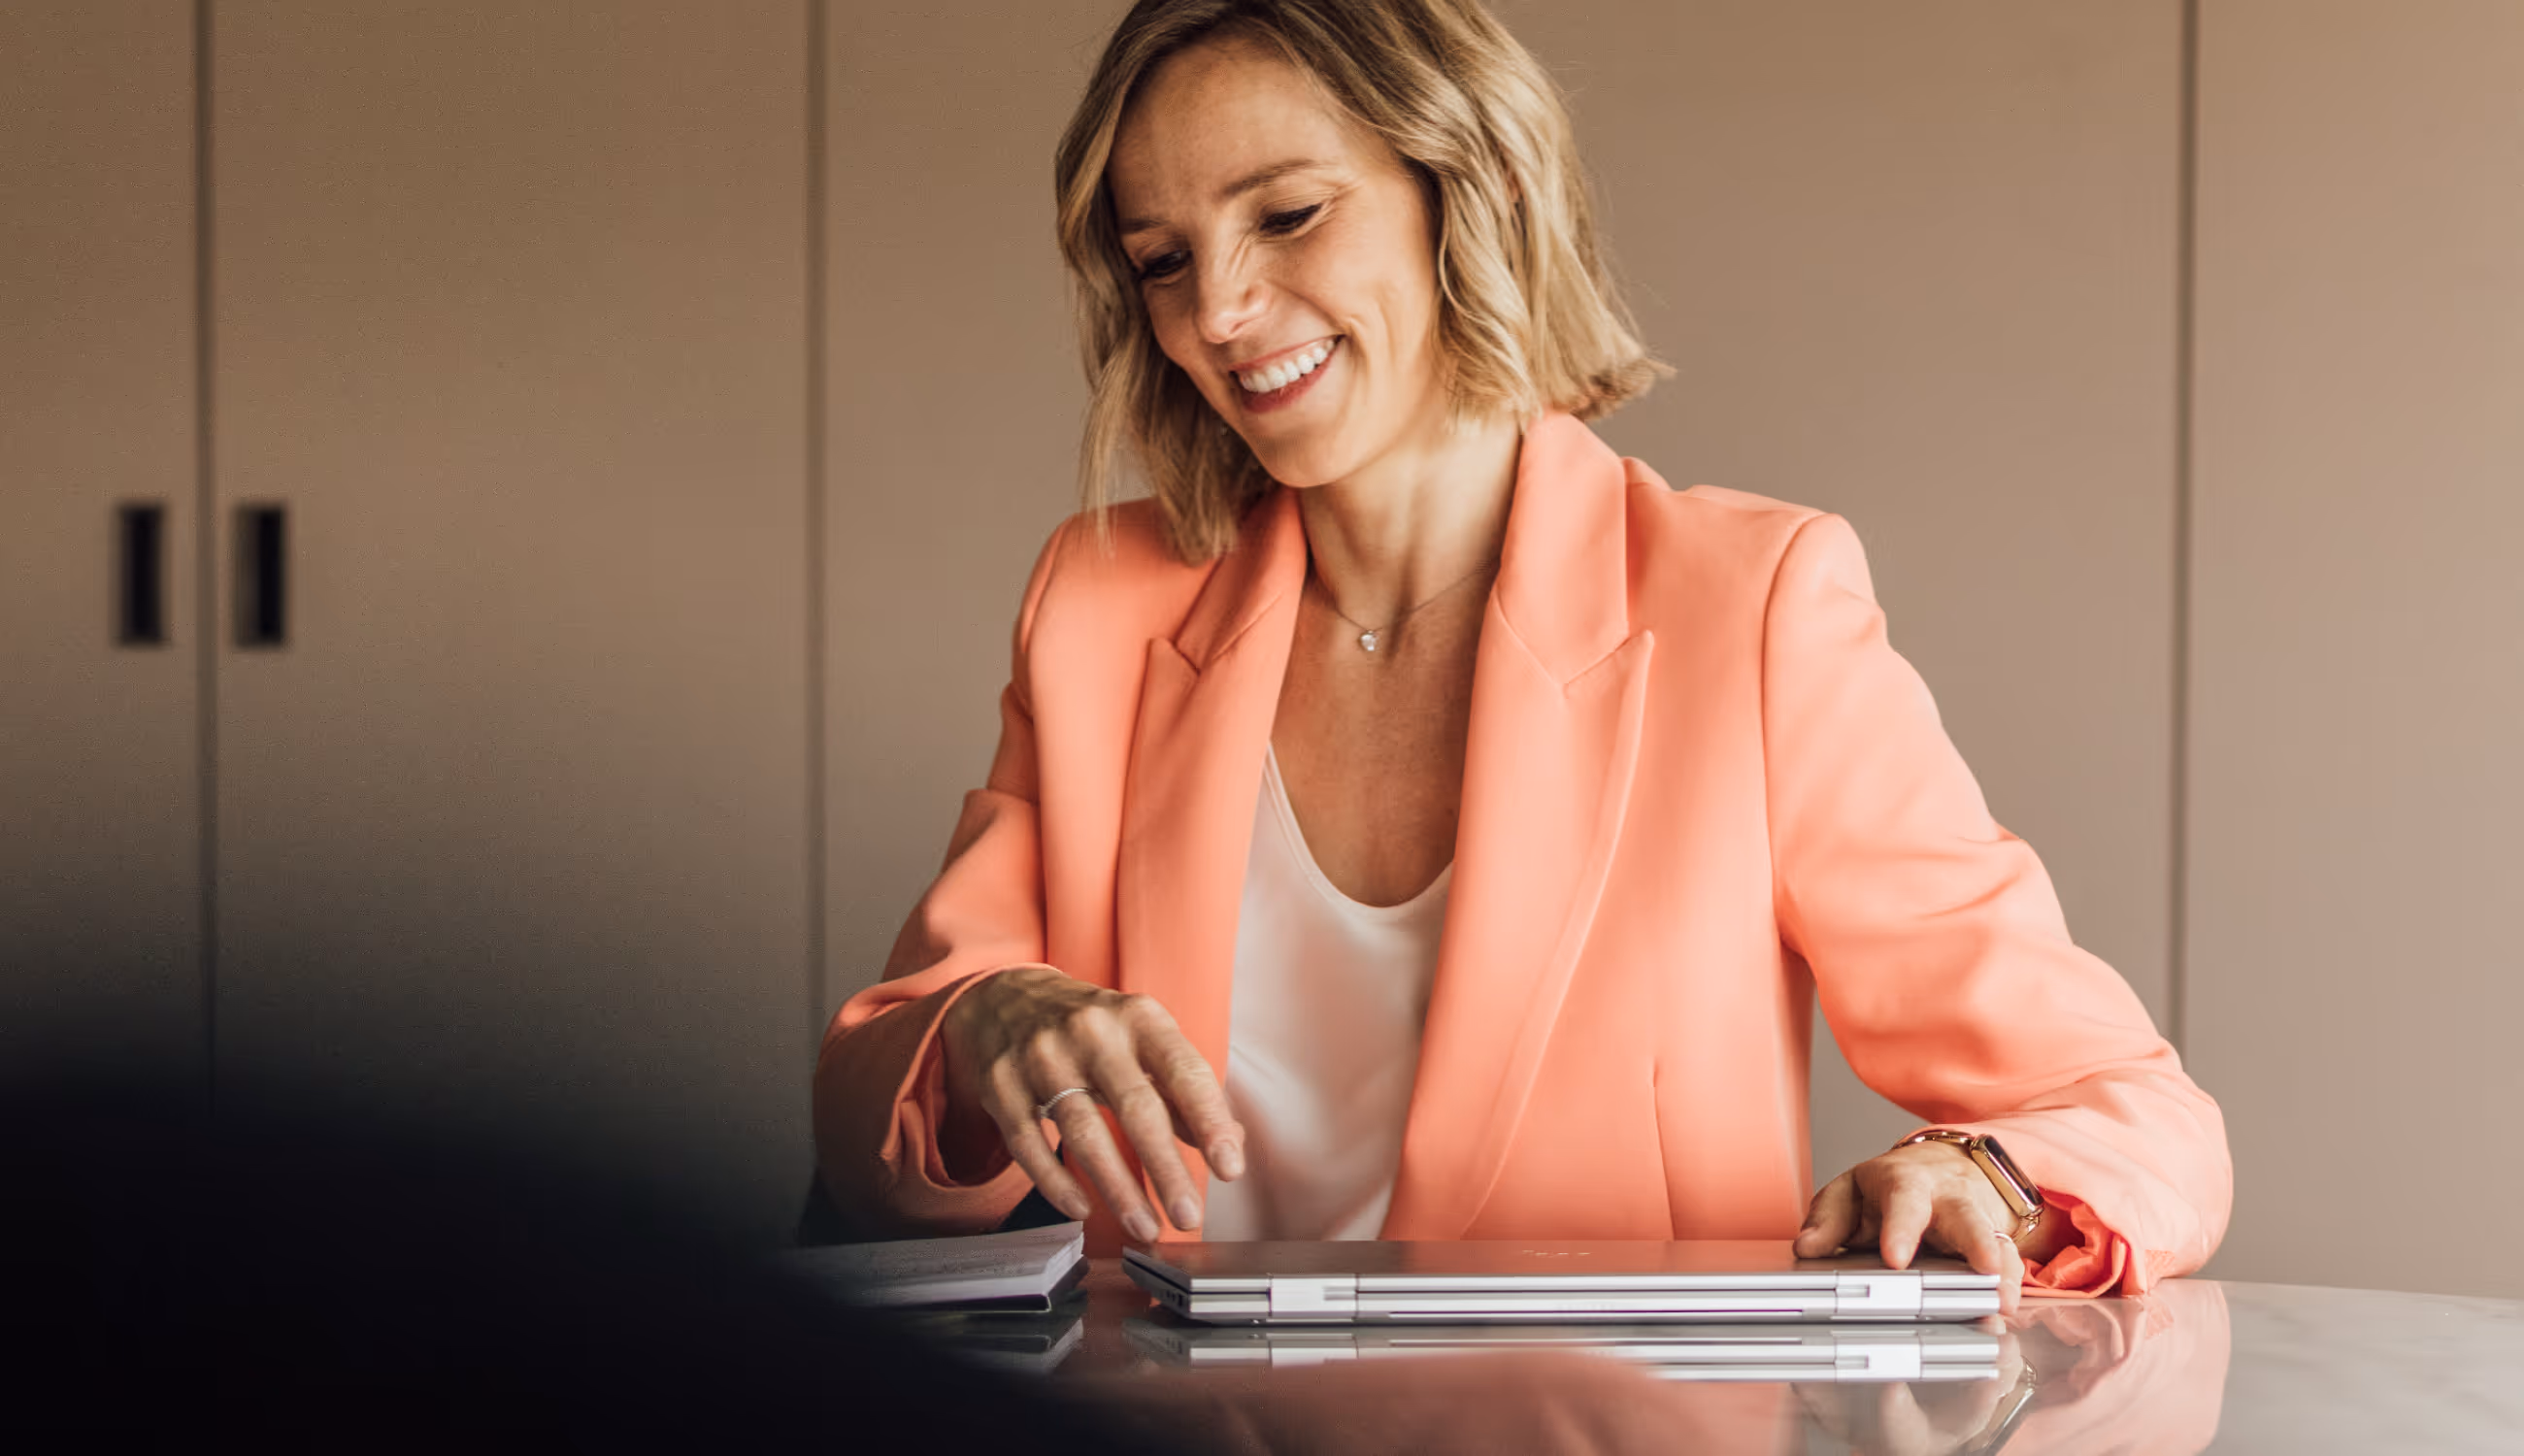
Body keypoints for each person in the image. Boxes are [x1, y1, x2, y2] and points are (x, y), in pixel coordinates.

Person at [814, 0, 2230, 1309]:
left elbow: (2133, 1109)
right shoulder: (1100, 605)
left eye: (1290, 216)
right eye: (1164, 262)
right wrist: (988, 1019)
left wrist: (1982, 1172)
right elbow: (873, 1098)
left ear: (1474, 190)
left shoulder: (1754, 610)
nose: (1221, 314)